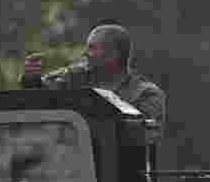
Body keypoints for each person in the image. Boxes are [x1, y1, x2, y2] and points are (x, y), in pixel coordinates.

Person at [21, 22, 165, 126]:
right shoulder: (75, 77)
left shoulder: (146, 93)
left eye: (92, 48)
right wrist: (31, 79)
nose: (86, 54)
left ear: (113, 54)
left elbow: (148, 135)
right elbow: (39, 94)